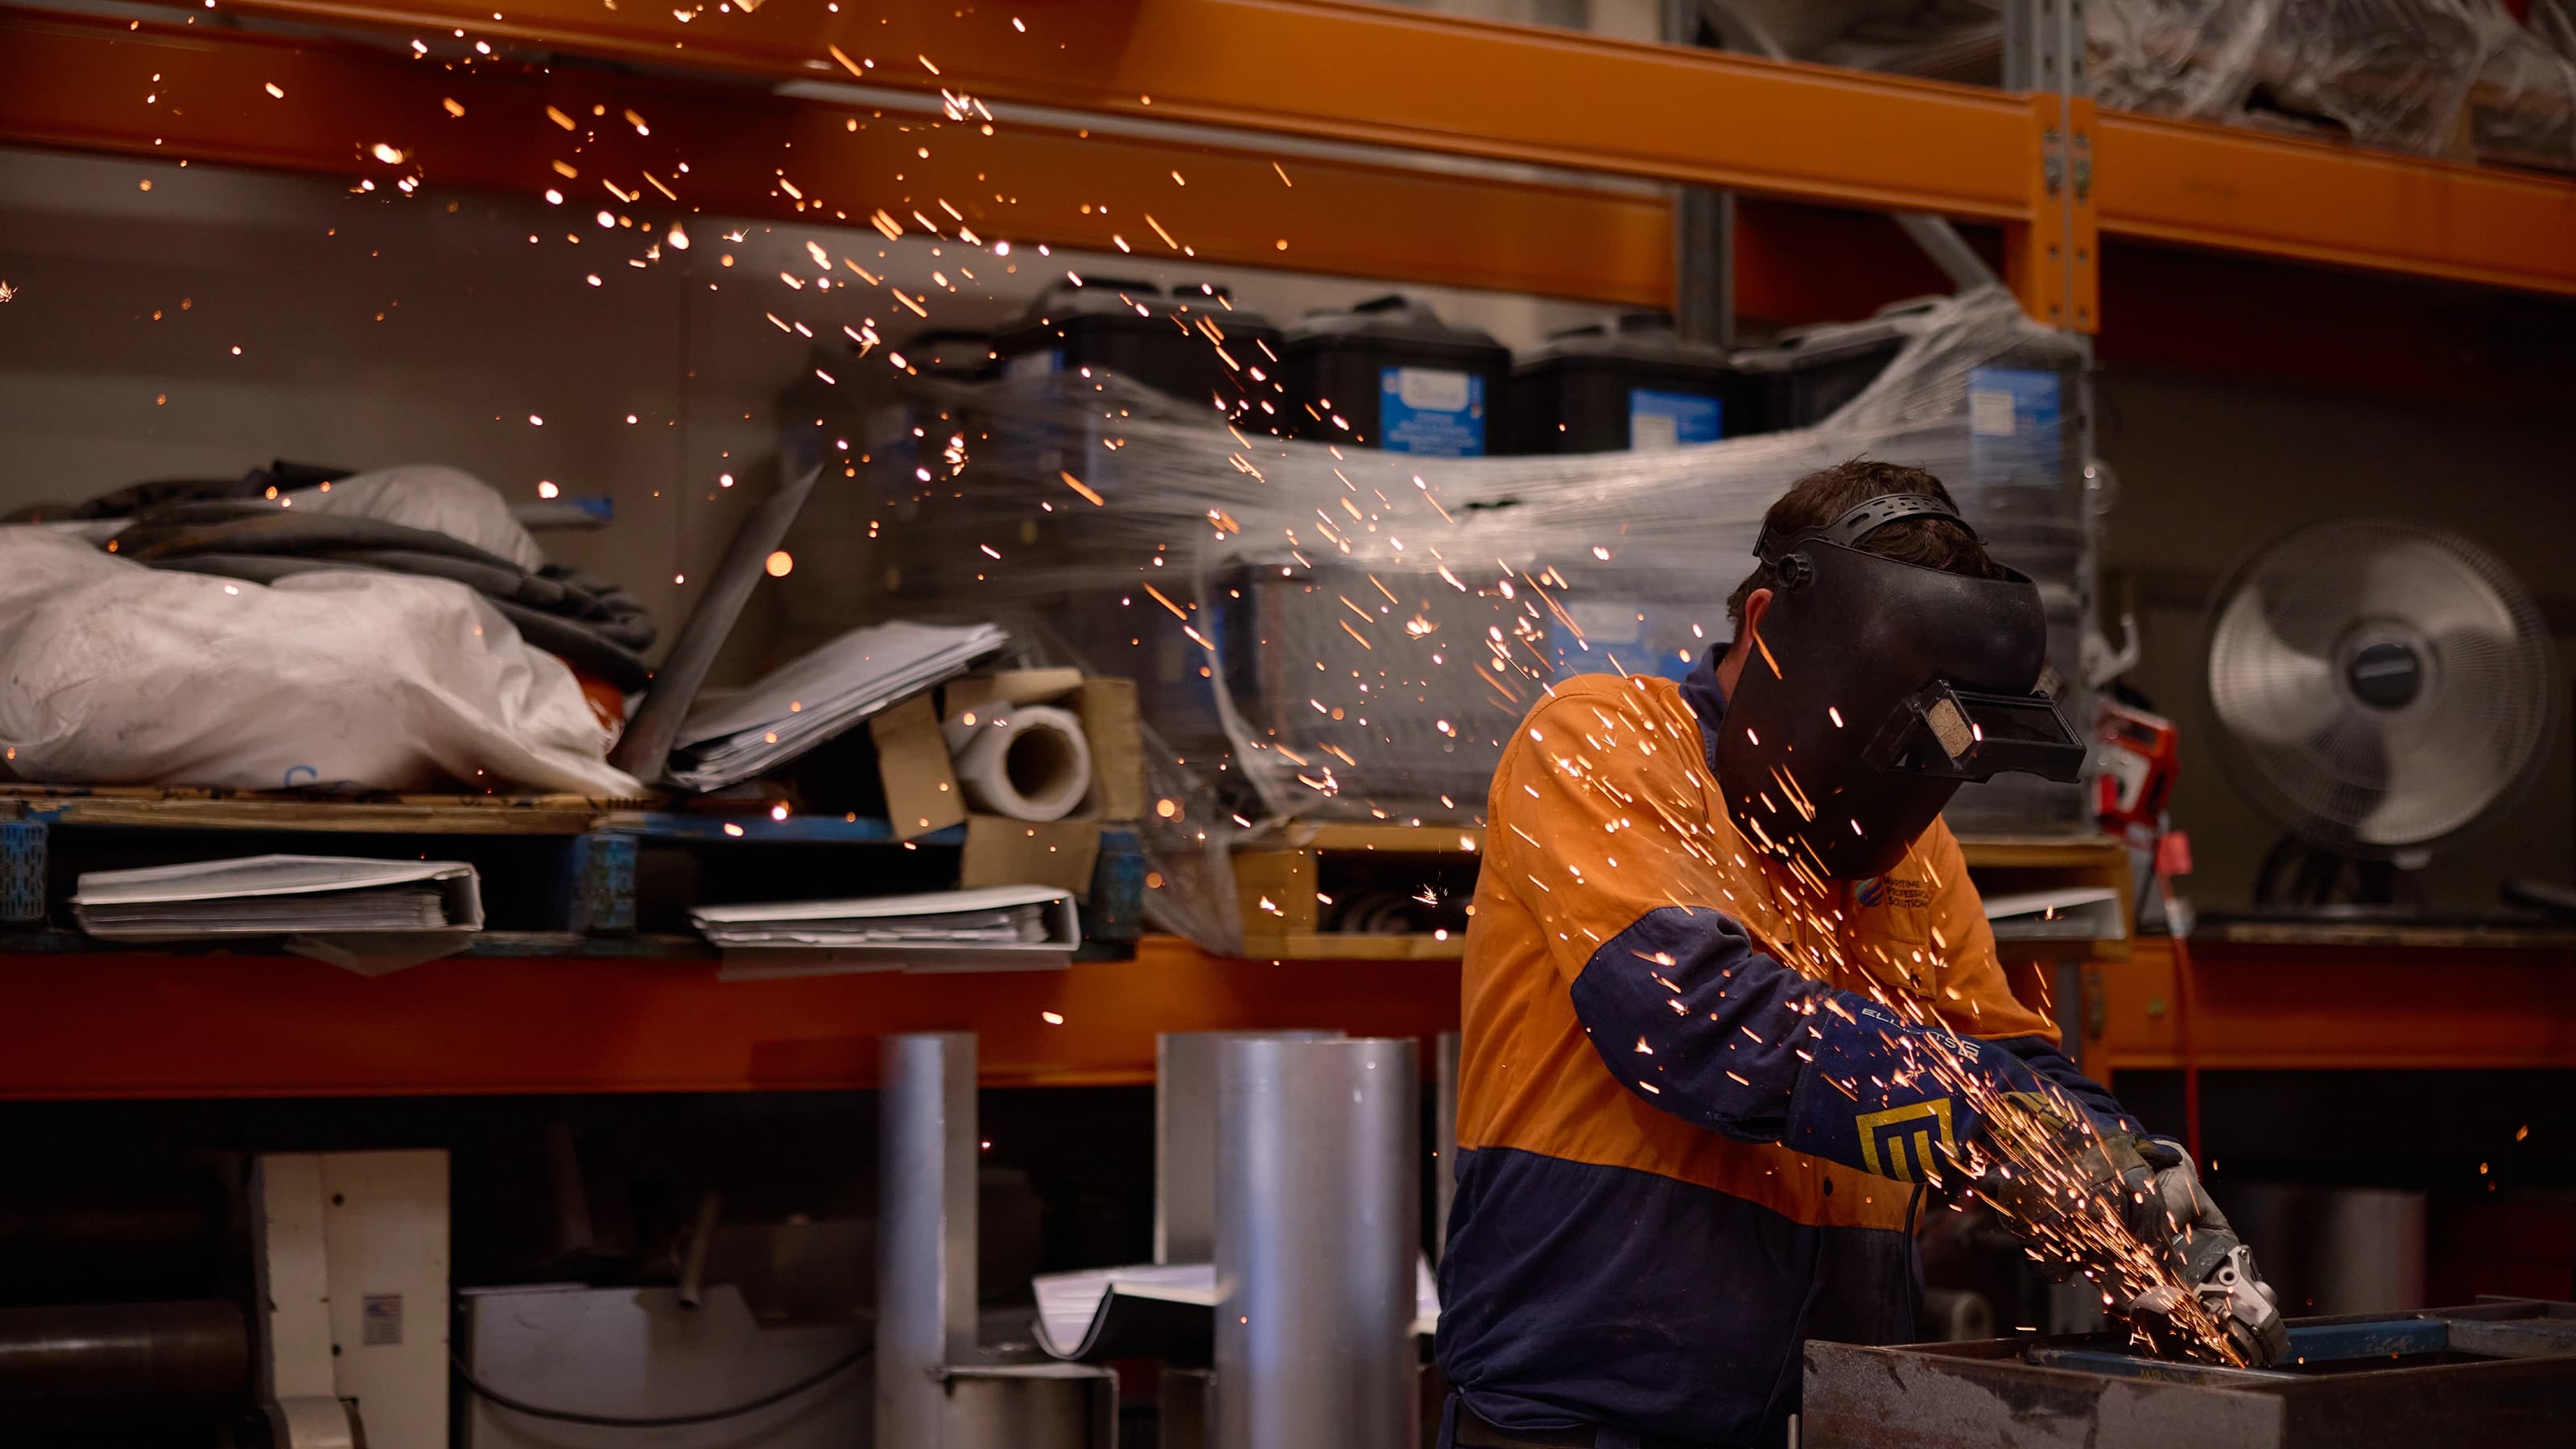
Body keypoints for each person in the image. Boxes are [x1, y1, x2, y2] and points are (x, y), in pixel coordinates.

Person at [1434, 460, 2283, 1449]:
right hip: (1583, 1410)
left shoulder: (1915, 853)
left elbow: (2008, 1057)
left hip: (1839, 1407)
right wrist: (1994, 1129)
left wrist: (2130, 1188)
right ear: (1763, 626)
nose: (1898, 780)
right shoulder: (1603, 741)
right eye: (1878, 720)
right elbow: (1696, 1019)